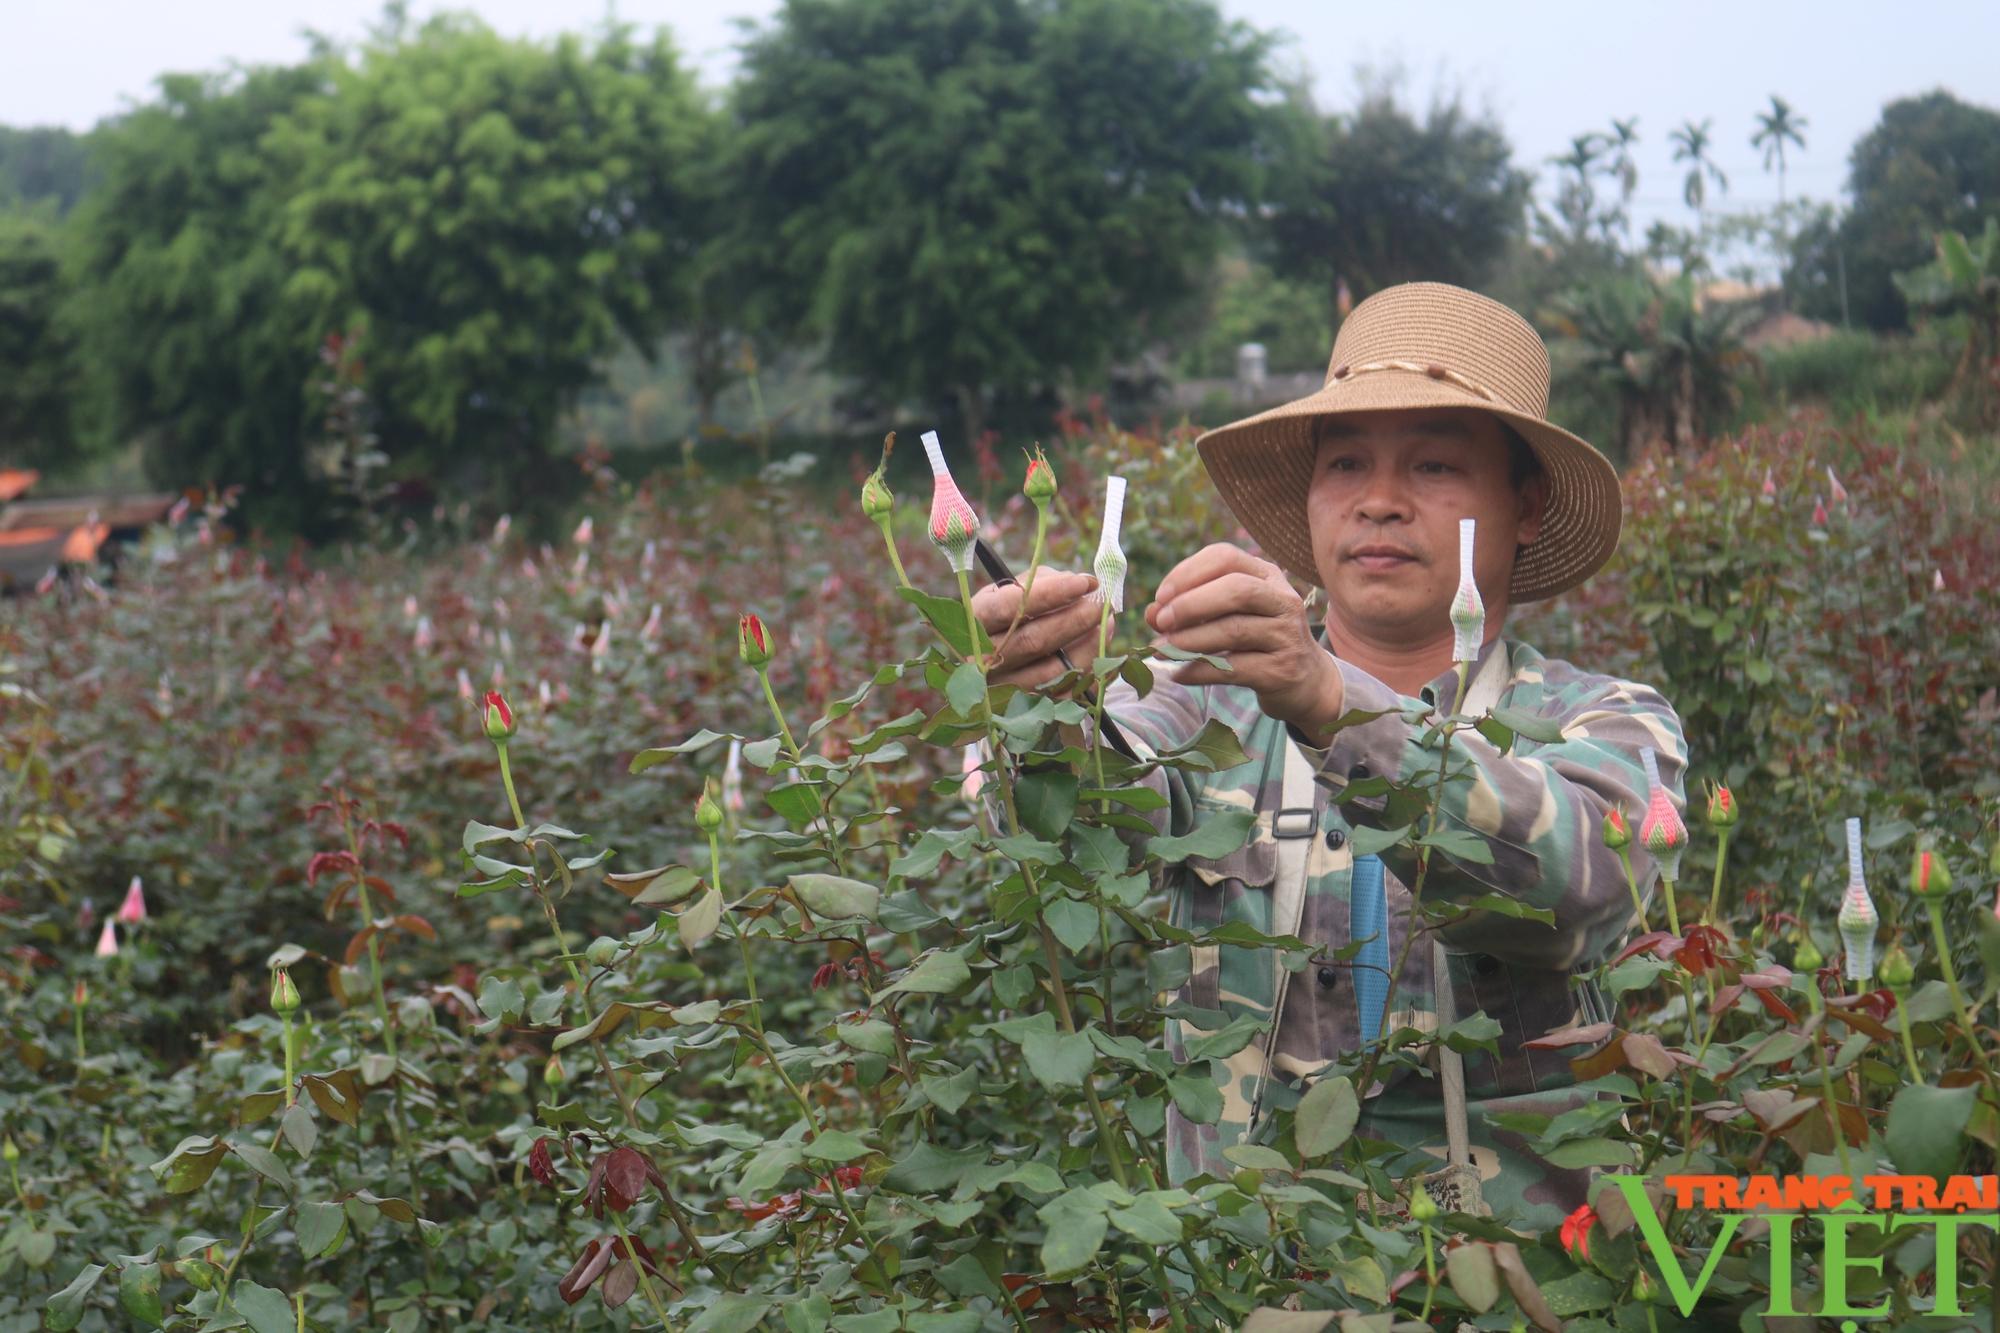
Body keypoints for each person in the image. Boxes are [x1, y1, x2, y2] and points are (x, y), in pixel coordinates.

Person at [969, 282, 1687, 1233]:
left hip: (1510, 1280)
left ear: (1525, 506)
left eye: (1434, 465)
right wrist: (1038, 709)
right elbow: (1083, 816)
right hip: (1242, 1275)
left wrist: (1332, 702)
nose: (1380, 501)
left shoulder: (1607, 723)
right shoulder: (1205, 702)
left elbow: (1576, 882)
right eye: (1346, 462)